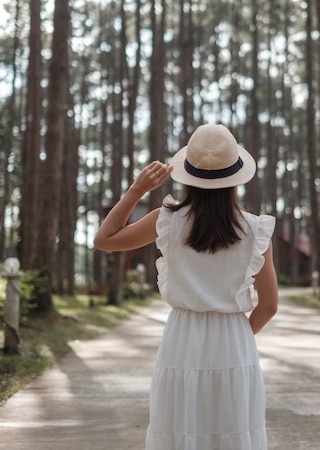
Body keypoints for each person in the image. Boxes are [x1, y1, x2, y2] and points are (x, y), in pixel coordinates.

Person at [94, 124, 278, 450]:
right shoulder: (255, 230)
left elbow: (104, 240)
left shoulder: (165, 220)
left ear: (187, 175)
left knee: (180, 428)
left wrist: (136, 189)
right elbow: (269, 305)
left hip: (182, 337)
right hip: (234, 338)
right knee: (233, 430)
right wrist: (238, 339)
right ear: (234, 177)